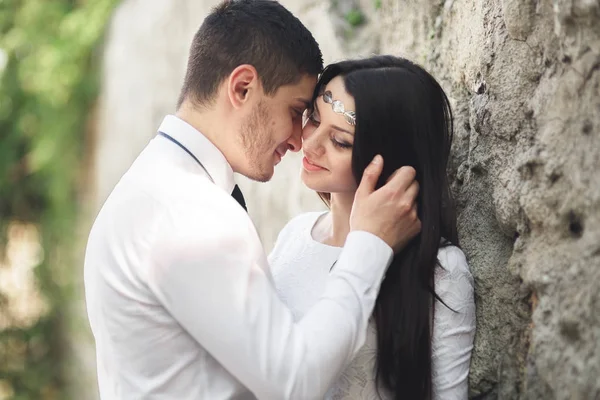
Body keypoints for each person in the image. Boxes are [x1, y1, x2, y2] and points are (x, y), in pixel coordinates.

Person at [83, 2, 422, 399]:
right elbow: (294, 381)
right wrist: (370, 244)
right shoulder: (191, 213)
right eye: (296, 111)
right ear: (242, 87)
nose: (299, 141)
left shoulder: (155, 188)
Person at [268, 56, 476, 400]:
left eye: (341, 142)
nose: (310, 143)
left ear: (390, 158)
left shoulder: (441, 271)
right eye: (314, 119)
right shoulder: (294, 235)